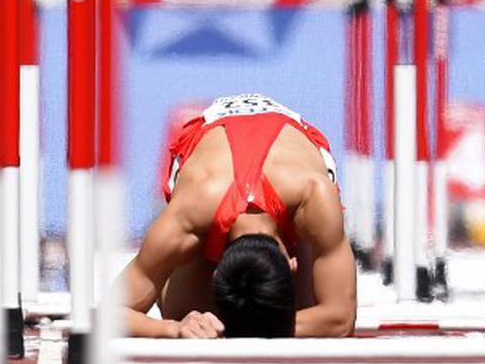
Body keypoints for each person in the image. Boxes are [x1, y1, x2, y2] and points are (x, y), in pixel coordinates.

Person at [119, 94, 356, 338]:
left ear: (291, 263)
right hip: (213, 178)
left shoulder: (314, 196)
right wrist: (175, 328)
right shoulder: (189, 215)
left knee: (305, 310)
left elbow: (341, 320)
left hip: (278, 160)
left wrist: (243, 326)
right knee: (185, 313)